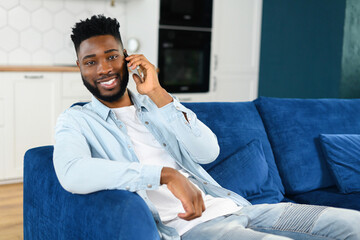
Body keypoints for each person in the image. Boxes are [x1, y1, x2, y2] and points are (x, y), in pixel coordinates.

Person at [53, 14, 360, 240]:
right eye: (90, 61)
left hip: (242, 208)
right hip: (197, 228)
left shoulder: (157, 105)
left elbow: (207, 151)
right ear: (79, 68)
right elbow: (71, 172)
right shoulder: (77, 121)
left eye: (111, 56)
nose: (104, 68)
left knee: (353, 226)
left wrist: (159, 93)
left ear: (127, 60)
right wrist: (165, 175)